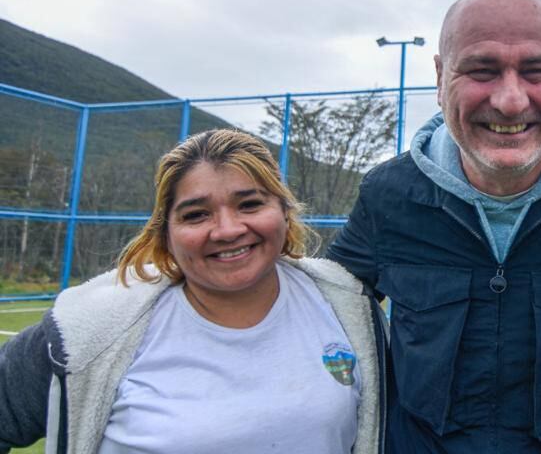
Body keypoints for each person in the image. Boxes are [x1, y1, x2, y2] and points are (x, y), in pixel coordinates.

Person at [328, 0, 541, 452]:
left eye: (536, 71)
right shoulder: (388, 196)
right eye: (482, 70)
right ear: (440, 76)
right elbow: (318, 309)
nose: (510, 100)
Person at [0, 129, 385, 454]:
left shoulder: (345, 305)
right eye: (196, 214)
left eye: (249, 204)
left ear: (284, 213)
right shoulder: (93, 329)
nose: (227, 229)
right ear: (165, 232)